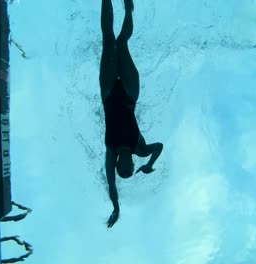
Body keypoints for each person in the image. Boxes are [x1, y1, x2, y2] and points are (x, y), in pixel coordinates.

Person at [99, 0, 164, 228]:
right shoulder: (140, 149)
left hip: (108, 94)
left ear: (118, 166)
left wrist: (116, 208)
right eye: (131, 169)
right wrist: (150, 163)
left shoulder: (111, 152)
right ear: (133, 165)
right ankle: (128, 9)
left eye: (122, 169)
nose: (126, 167)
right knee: (121, 42)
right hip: (129, 93)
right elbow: (159, 147)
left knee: (108, 40)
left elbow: (112, 185)